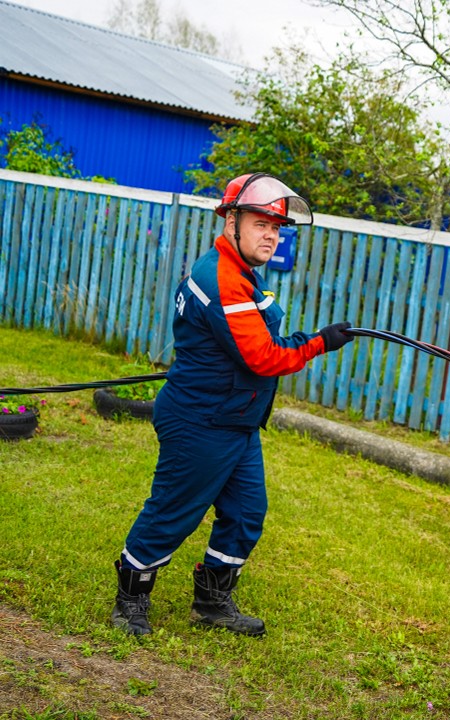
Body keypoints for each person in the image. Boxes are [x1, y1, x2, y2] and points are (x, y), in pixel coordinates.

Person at [111, 172, 353, 638]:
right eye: (261, 223)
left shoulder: (241, 275)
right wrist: (319, 342)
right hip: (201, 421)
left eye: (277, 227)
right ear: (231, 222)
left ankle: (211, 602)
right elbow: (263, 357)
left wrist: (316, 340)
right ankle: (131, 600)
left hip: (235, 420)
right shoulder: (222, 279)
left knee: (245, 513)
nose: (271, 234)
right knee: (173, 513)